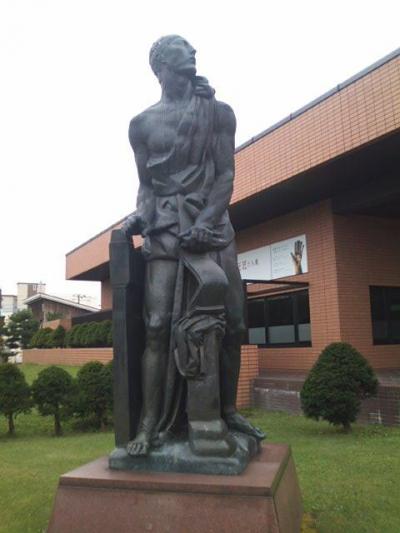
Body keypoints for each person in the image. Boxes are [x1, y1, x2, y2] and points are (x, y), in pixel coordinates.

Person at [123, 35, 264, 456]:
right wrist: (140, 215)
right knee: (156, 326)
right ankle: (149, 424)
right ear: (162, 65)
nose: (193, 53)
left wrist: (204, 223)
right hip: (166, 228)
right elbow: (146, 186)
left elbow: (225, 175)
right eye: (183, 49)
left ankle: (227, 411)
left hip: (212, 225)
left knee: (234, 323)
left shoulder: (218, 113)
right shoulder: (141, 124)